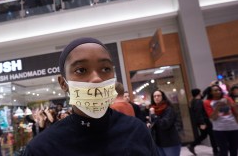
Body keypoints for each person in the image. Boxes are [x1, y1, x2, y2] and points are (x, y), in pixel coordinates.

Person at [23, 37, 158, 155]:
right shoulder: (41, 149)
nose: (96, 79)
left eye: (105, 69)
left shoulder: (136, 131)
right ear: (63, 83)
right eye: (81, 70)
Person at [203, 84, 238, 156]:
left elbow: (236, 112)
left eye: (219, 90)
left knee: (234, 149)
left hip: (233, 127)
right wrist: (218, 106)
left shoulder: (227, 98)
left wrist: (232, 104)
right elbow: (213, 117)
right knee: (223, 150)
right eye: (215, 90)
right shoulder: (207, 102)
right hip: (219, 129)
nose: (218, 91)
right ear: (210, 92)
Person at [148, 90, 181, 156]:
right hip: (158, 142)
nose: (156, 97)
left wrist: (153, 115)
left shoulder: (168, 109)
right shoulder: (153, 109)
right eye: (154, 96)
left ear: (162, 97)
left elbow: (164, 124)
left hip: (170, 142)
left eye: (158, 96)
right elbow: (155, 123)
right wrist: (149, 123)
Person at [187, 88, 219, 156]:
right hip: (204, 121)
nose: (202, 93)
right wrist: (202, 123)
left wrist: (209, 87)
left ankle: (192, 145)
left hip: (201, 121)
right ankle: (216, 152)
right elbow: (198, 113)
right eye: (200, 92)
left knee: (204, 135)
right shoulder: (198, 102)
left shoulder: (195, 100)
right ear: (198, 93)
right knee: (212, 135)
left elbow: (203, 94)